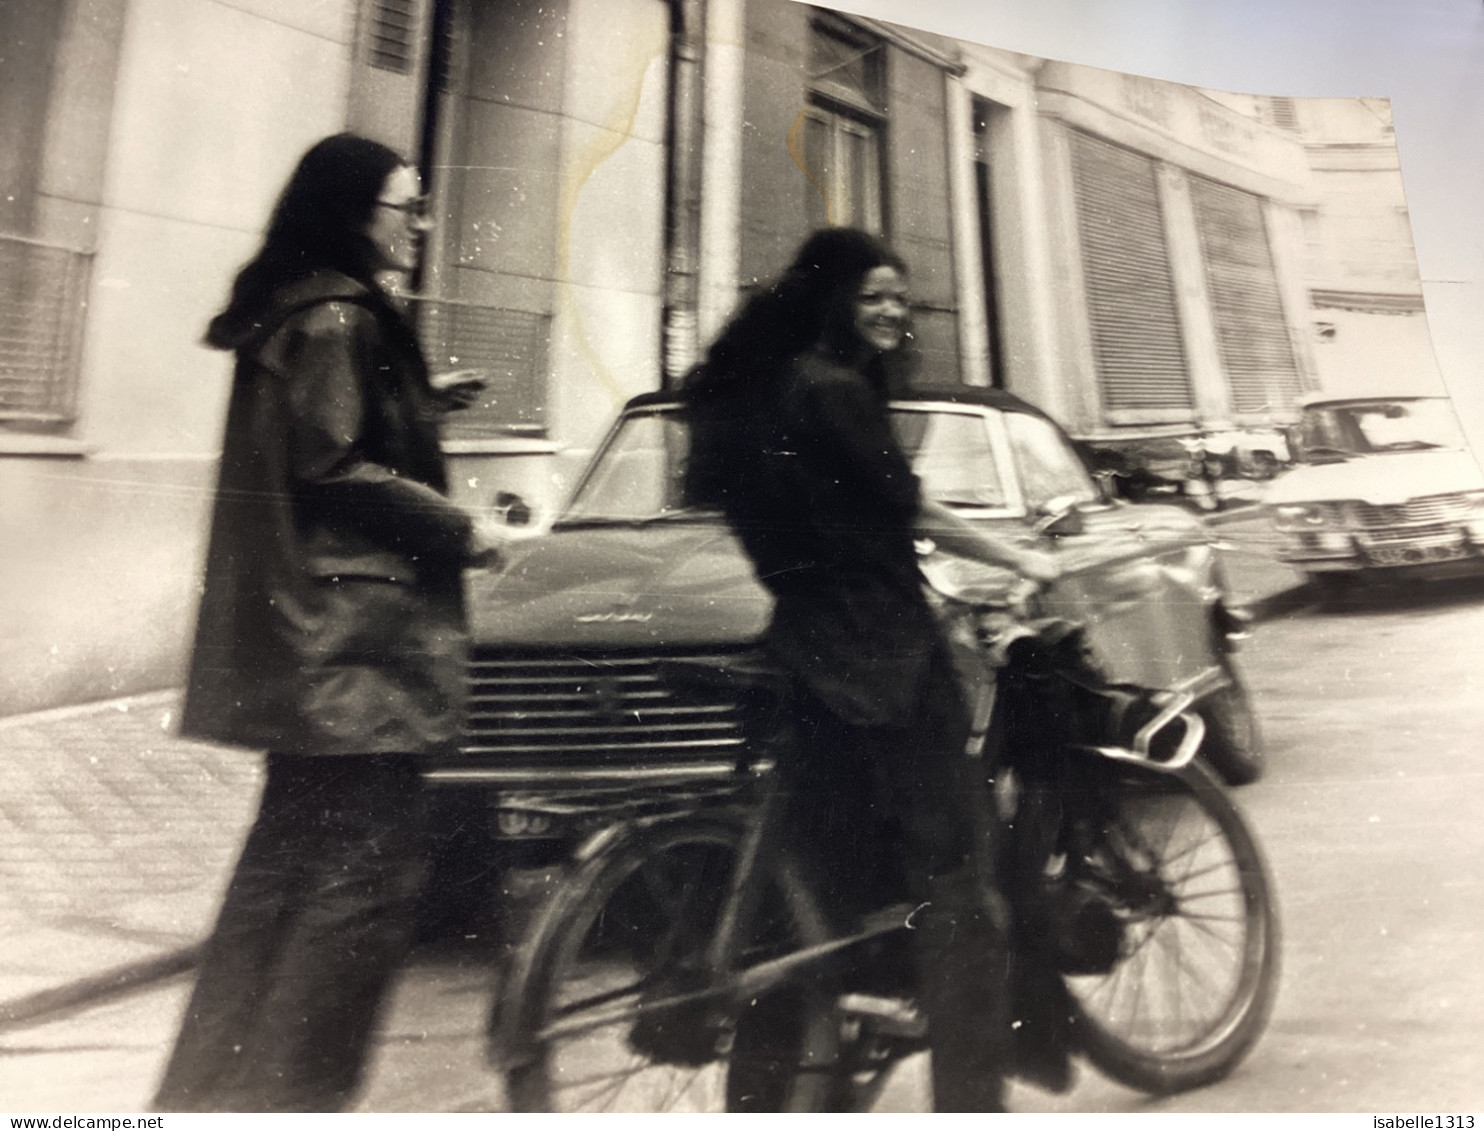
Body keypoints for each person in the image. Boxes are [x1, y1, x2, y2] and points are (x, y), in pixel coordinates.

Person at [152, 133, 502, 1112]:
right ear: (356, 211)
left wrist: (424, 402)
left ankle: (208, 1097)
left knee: (276, 887)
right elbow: (334, 468)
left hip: (309, 652)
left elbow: (314, 442)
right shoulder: (344, 315)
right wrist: (460, 529)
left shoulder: (298, 307)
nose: (420, 222)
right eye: (407, 205)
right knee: (358, 897)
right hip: (358, 657)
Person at [682, 227, 1060, 1112]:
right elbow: (914, 508)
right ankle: (970, 1101)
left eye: (901, 296)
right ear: (835, 300)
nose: (892, 310)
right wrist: (1022, 560)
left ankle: (778, 1090)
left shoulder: (756, 386)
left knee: (810, 888)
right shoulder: (836, 390)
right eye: (874, 294)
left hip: (804, 649)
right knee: (957, 881)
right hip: (883, 657)